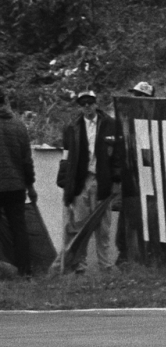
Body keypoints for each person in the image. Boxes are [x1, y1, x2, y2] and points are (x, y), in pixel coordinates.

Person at [56, 89, 120, 273]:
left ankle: (106, 264)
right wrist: (63, 181)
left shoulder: (110, 124)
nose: (87, 107)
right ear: (80, 106)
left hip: (102, 180)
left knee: (103, 227)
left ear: (96, 103)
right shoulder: (72, 127)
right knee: (79, 225)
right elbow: (65, 156)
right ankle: (80, 266)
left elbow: (117, 155)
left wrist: (116, 180)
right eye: (83, 103)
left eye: (90, 102)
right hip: (80, 181)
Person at [114, 81, 153, 266]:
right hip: (131, 183)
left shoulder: (155, 124)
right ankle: (123, 257)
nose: (134, 99)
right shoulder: (125, 123)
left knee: (147, 222)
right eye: (134, 95)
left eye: (139, 96)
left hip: (149, 184)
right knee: (124, 222)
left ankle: (145, 258)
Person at [0, 87, 37, 277]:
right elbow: (26, 161)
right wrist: (30, 186)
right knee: (19, 229)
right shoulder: (18, 125)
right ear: (5, 101)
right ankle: (25, 271)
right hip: (16, 186)